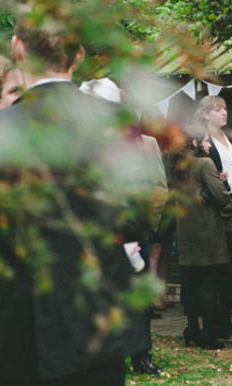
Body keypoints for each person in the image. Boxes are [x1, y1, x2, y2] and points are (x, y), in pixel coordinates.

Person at [0, 18, 146, 385]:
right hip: (97, 324)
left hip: (18, 327)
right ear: (78, 54)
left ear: (18, 47)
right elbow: (135, 218)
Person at [79, 77, 167, 375]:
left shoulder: (137, 142)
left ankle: (141, 354)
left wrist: (145, 223)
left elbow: (155, 187)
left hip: (132, 230)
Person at [175, 126, 230, 350]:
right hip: (207, 230)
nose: (209, 146)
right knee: (209, 283)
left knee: (190, 283)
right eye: (207, 142)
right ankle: (208, 333)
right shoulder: (205, 163)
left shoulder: (177, 165)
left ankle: (191, 328)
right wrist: (221, 183)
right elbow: (222, 197)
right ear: (196, 143)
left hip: (186, 231)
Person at [195, 95, 232, 337]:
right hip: (214, 204)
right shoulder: (200, 140)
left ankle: (226, 319)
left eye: (225, 109)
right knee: (215, 264)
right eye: (217, 110)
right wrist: (215, 178)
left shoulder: (228, 138)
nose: (223, 113)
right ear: (205, 114)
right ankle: (212, 320)